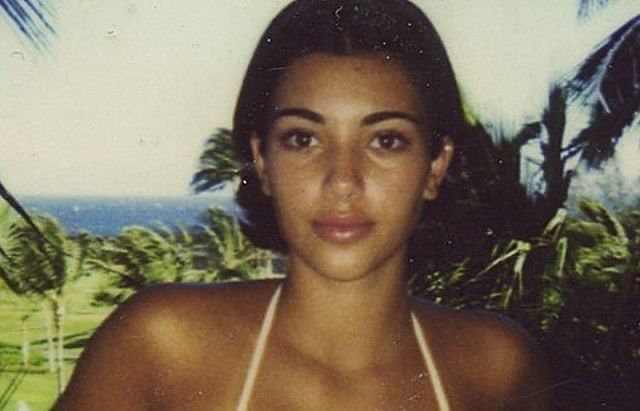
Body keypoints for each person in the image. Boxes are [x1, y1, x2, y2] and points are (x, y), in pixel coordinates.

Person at [55, 1, 551, 409]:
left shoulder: (496, 368)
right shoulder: (162, 346)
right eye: (302, 138)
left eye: (386, 141)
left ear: (436, 166)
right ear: (263, 162)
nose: (342, 181)